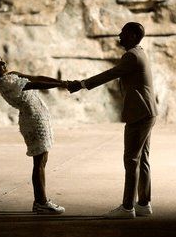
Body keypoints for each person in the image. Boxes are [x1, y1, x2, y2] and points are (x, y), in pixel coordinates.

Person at [67, 22, 157, 219]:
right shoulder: (140, 52)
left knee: (131, 159)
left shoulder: (131, 55)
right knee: (142, 159)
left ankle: (127, 208)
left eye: (123, 33)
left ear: (133, 36)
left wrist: (82, 84)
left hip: (139, 113)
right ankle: (143, 204)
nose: (119, 35)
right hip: (148, 111)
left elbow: (110, 74)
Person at [0, 52, 67, 215]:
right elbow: (35, 84)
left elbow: (35, 77)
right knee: (39, 163)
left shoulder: (11, 75)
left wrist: (63, 82)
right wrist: (63, 85)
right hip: (33, 122)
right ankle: (41, 202)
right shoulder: (6, 82)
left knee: (42, 161)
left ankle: (40, 201)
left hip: (38, 118)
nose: (4, 63)